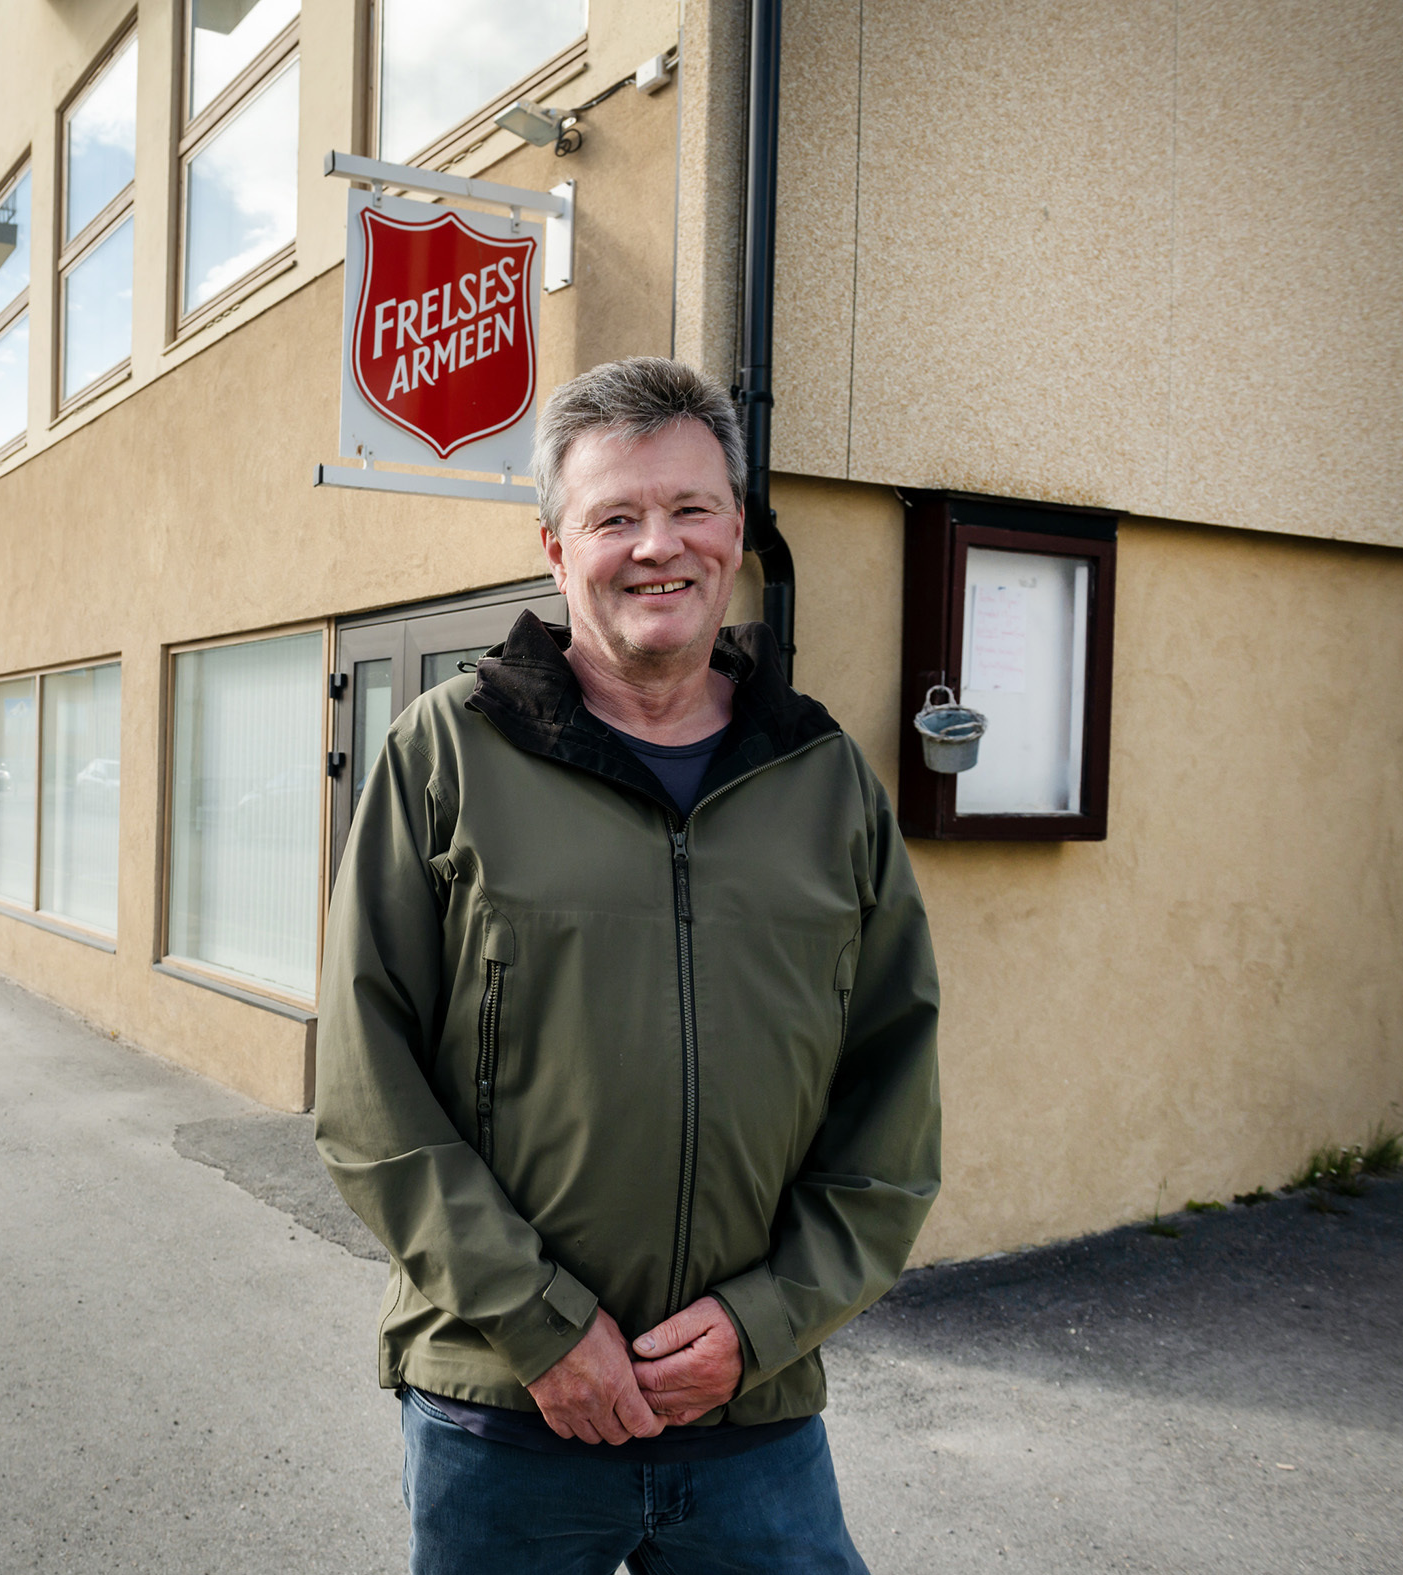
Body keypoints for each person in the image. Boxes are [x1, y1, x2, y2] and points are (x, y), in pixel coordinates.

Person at [315, 357, 941, 1574]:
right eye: (614, 517)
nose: (659, 546)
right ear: (555, 549)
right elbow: (364, 1090)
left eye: (691, 508)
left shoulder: (824, 784)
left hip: (747, 1422)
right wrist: (545, 1330)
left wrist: (759, 1326)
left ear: (738, 532)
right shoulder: (443, 755)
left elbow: (890, 1105)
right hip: (503, 1412)